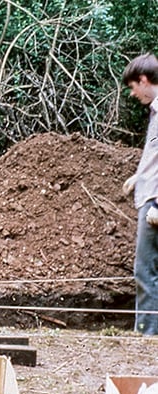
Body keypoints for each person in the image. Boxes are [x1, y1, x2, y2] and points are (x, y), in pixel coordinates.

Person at [122, 53, 158, 335]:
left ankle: (147, 335)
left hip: (154, 202)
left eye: (134, 87)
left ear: (144, 80)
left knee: (145, 271)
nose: (134, 94)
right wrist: (140, 175)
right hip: (149, 192)